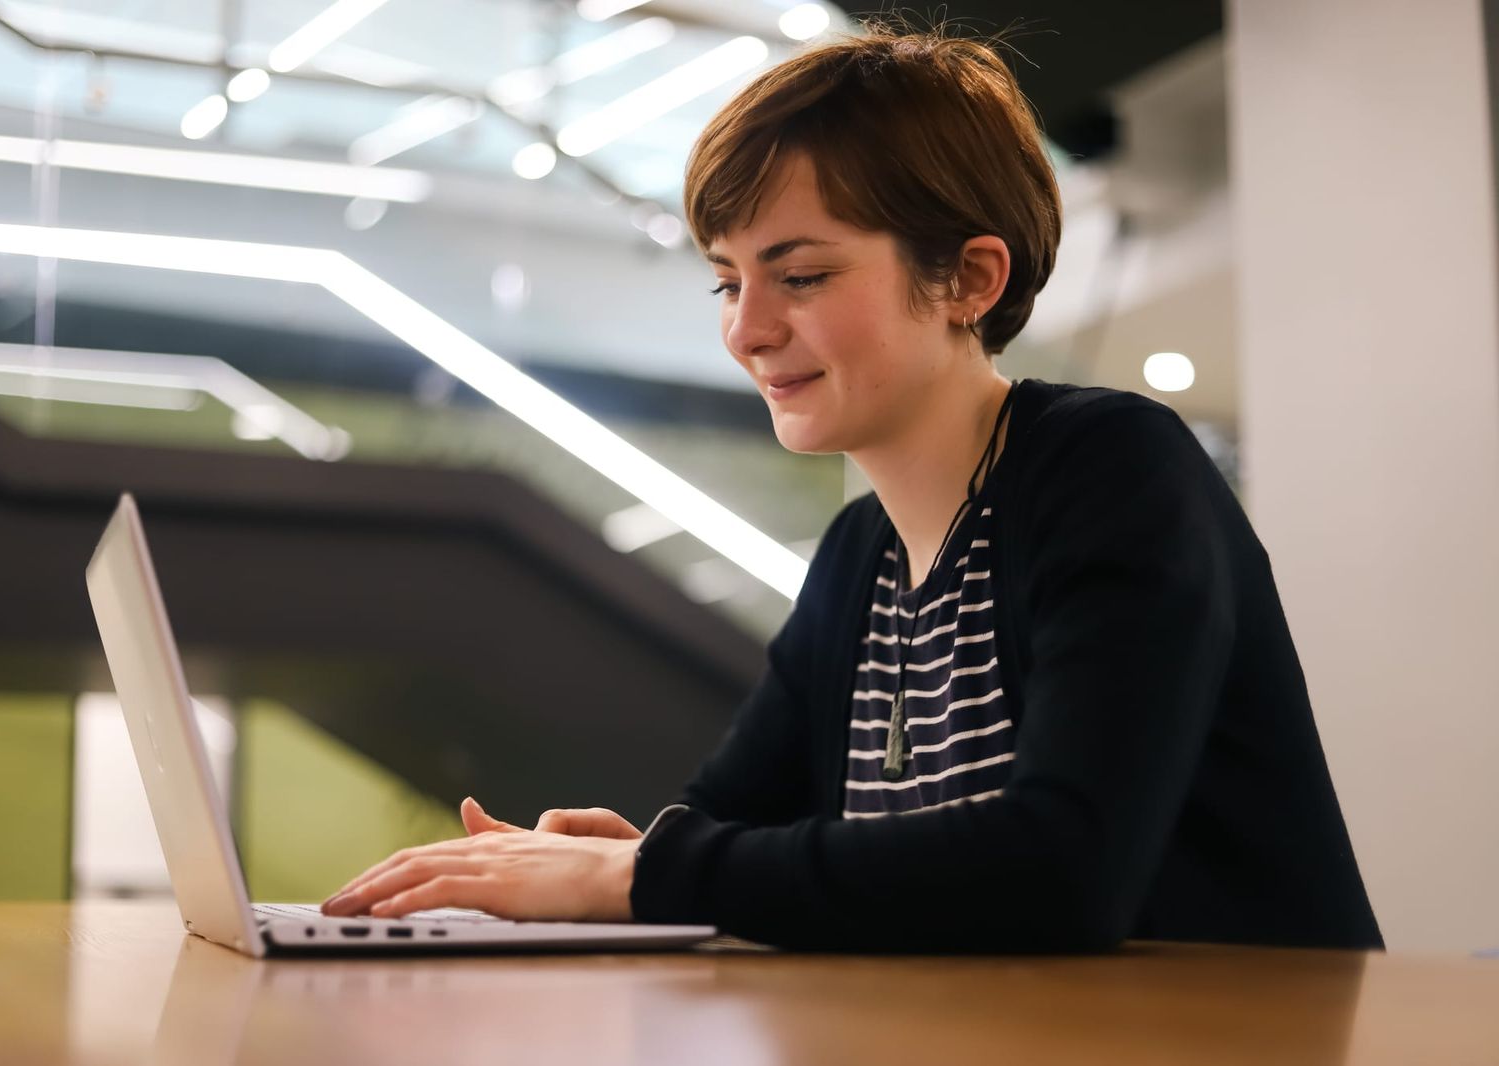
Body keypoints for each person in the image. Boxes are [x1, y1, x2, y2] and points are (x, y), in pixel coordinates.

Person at [321, 26, 1383, 953]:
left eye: (801, 276)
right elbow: (726, 826)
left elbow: (1063, 868)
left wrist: (653, 874)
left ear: (968, 278)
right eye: (728, 281)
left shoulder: (1110, 467)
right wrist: (629, 859)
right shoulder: (858, 554)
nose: (746, 330)